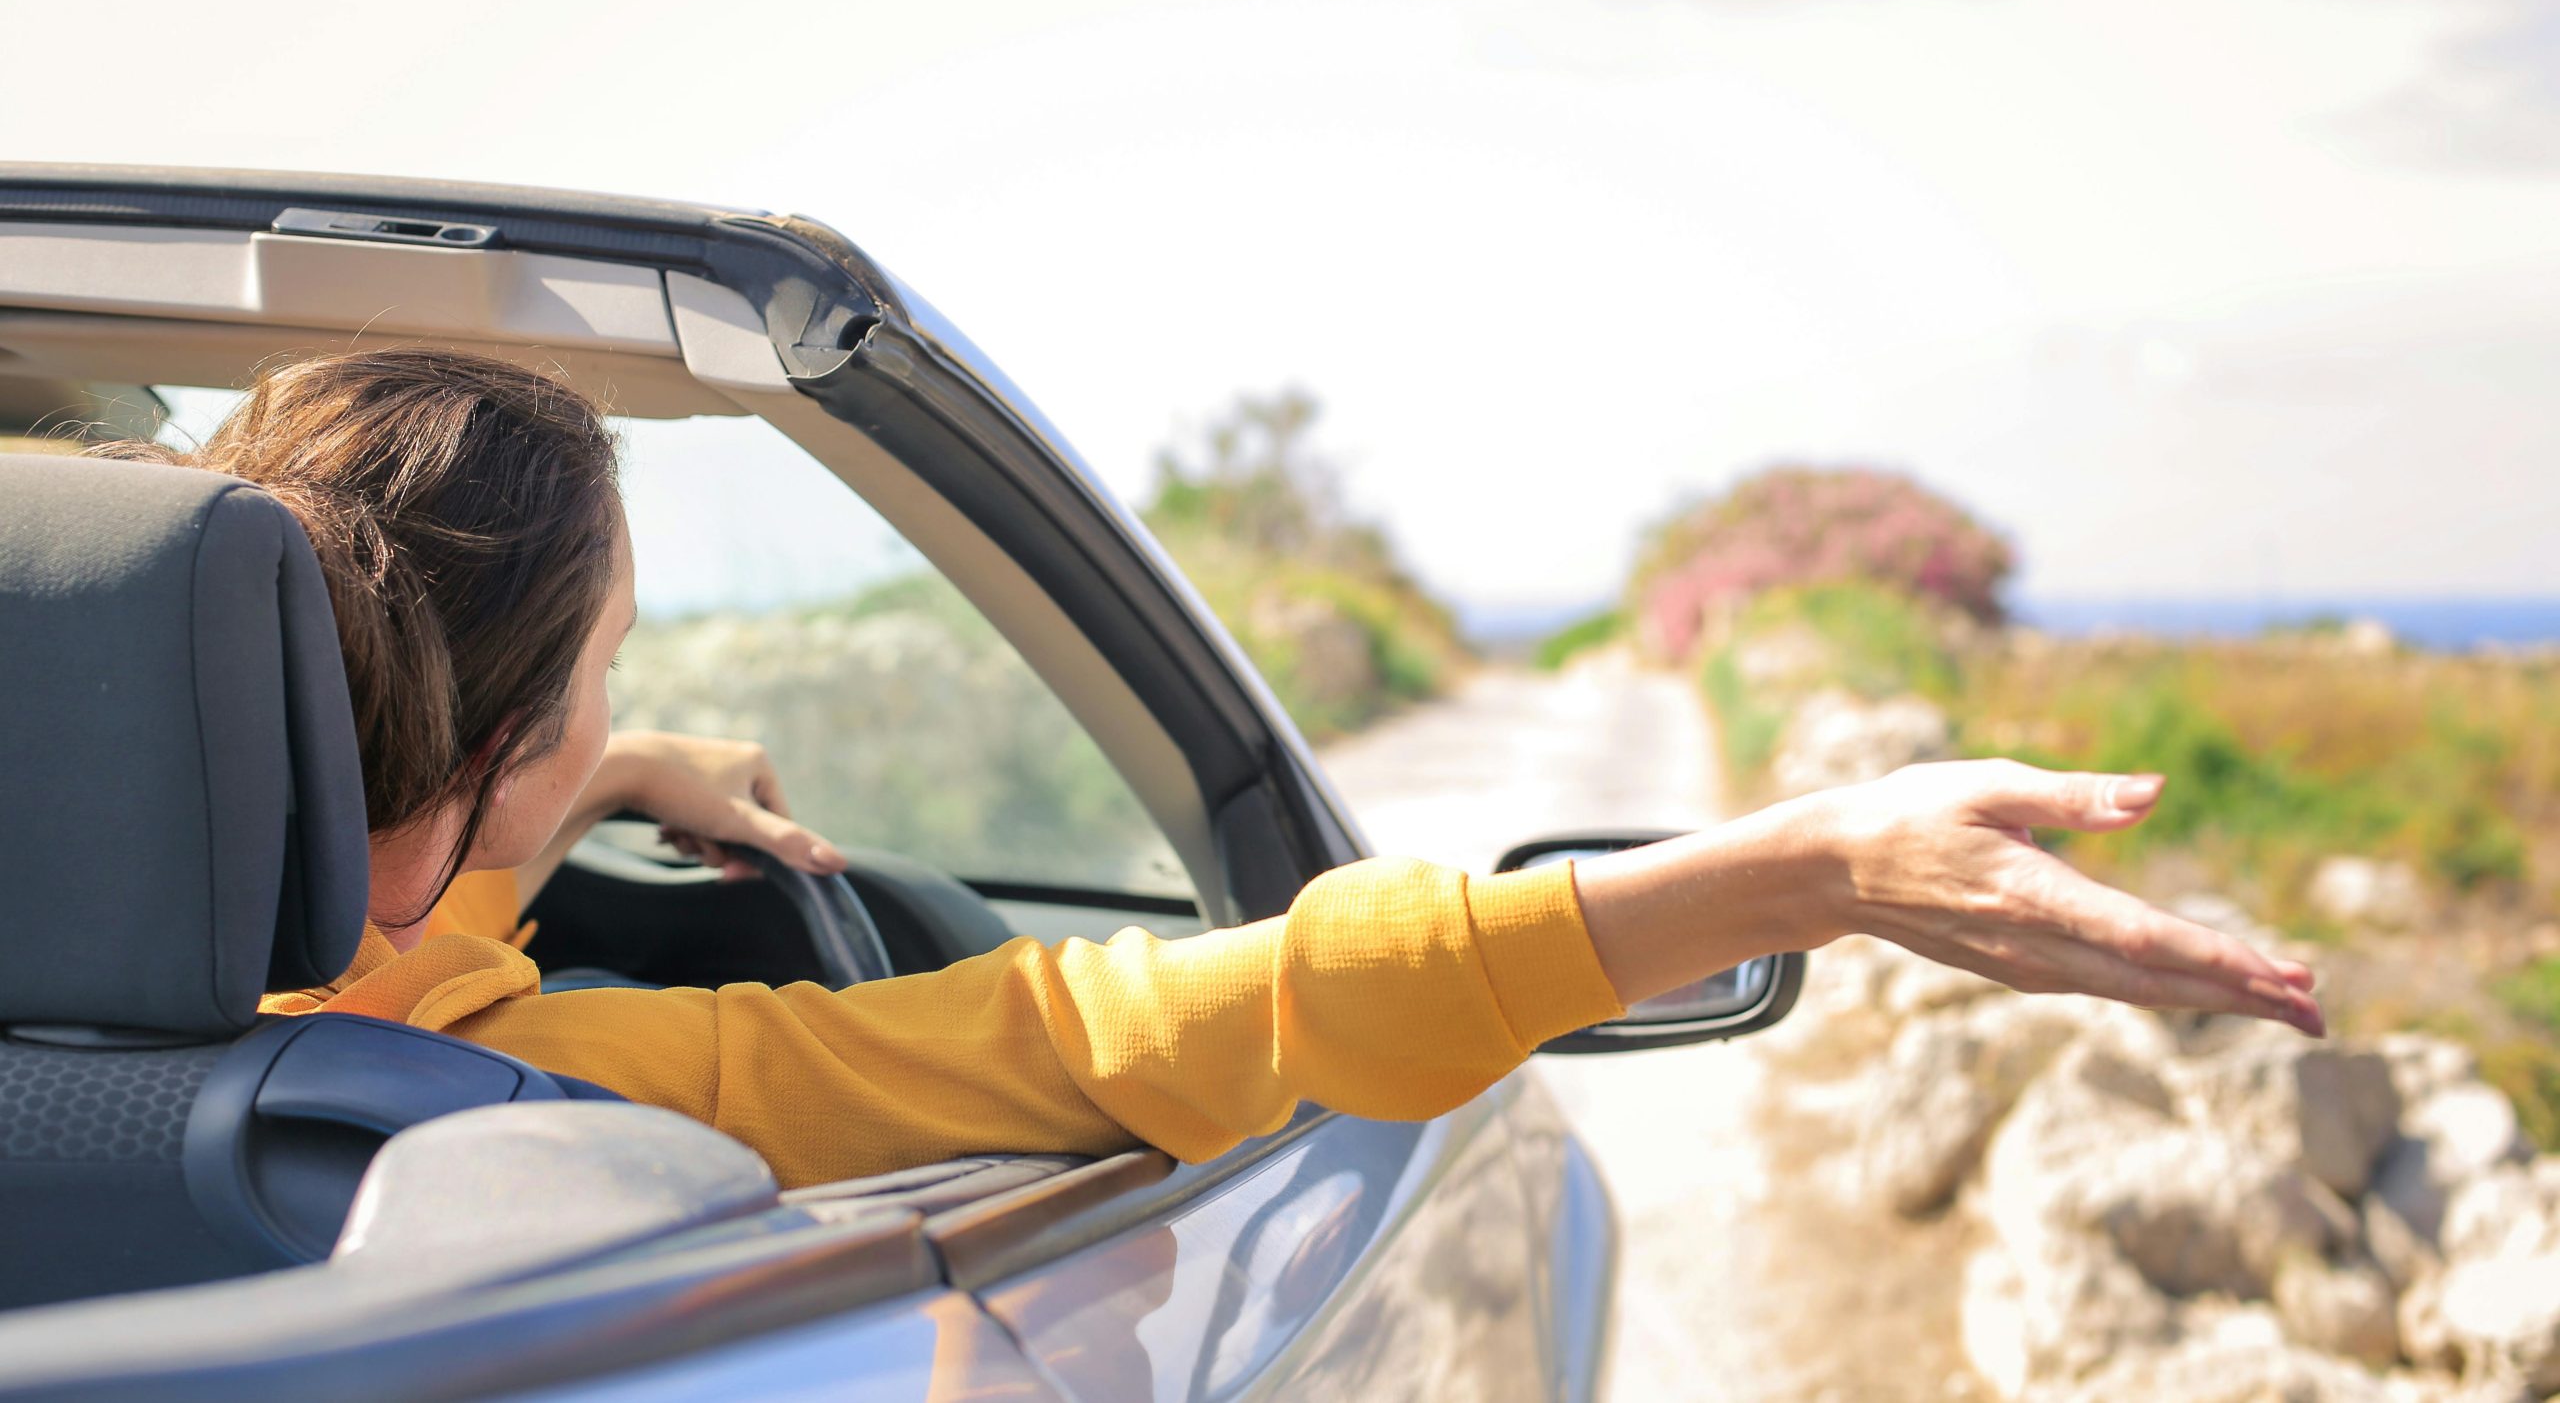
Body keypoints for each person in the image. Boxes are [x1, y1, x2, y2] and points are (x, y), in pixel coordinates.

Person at [103, 348, 2323, 1191]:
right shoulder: (545, 1096)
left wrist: (594, 770)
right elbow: (1137, 1011)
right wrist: (1798, 871)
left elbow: (381, 877)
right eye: (595, 674)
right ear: (488, 746)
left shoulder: (130, 974)